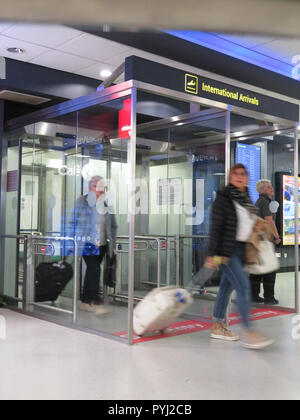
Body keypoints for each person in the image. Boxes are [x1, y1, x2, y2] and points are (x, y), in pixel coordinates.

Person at [207, 164, 274, 349]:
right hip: (226, 252)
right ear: (230, 177)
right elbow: (216, 227)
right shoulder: (224, 198)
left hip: (241, 250)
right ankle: (249, 331)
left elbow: (245, 224)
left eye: (242, 174)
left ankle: (217, 325)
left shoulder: (245, 199)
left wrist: (257, 225)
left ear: (247, 179)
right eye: (235, 174)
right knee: (243, 288)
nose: (239, 177)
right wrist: (213, 254)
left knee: (226, 288)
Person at [69, 176, 117, 314]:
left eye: (102, 186)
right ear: (91, 187)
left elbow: (113, 225)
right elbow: (73, 221)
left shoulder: (107, 204)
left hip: (102, 244)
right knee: (95, 269)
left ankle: (85, 301)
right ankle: (96, 301)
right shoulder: (82, 201)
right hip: (86, 242)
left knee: (92, 271)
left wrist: (112, 243)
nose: (101, 189)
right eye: (98, 186)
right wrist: (72, 240)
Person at [250, 180, 280, 305]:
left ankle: (254, 295)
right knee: (270, 270)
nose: (271, 188)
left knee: (258, 269)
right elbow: (269, 221)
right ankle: (269, 297)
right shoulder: (265, 202)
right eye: (268, 187)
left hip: (258, 240)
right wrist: (277, 236)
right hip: (266, 240)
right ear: (261, 190)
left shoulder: (259, 201)